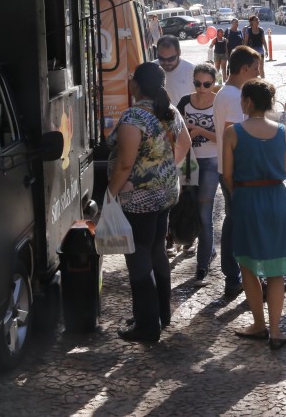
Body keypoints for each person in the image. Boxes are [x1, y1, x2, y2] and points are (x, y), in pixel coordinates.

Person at [107, 62, 191, 342]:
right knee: (156, 249)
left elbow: (124, 164)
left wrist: (110, 193)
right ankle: (160, 313)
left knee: (138, 256)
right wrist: (166, 170)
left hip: (140, 199)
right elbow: (185, 143)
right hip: (166, 193)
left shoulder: (134, 118)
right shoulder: (170, 111)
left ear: (136, 85)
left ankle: (147, 325)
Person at [224, 79, 286, 349]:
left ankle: (258, 324)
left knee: (248, 265)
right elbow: (285, 169)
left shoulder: (234, 133)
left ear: (248, 101)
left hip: (247, 198)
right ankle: (276, 330)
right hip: (276, 198)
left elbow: (228, 176)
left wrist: (239, 195)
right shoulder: (282, 131)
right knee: (277, 270)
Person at [214, 46, 262, 298]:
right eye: (255, 69)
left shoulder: (228, 92)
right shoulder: (234, 96)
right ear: (244, 69)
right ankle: (239, 277)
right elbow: (234, 135)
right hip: (236, 171)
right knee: (241, 225)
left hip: (229, 169)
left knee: (234, 223)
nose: (258, 73)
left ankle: (235, 277)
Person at [176, 63, 220, 287]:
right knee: (191, 206)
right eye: (197, 83)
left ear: (214, 83)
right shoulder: (185, 101)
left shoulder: (219, 103)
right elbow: (172, 128)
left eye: (207, 84)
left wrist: (200, 131)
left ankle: (202, 266)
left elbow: (225, 137)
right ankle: (205, 248)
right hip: (188, 162)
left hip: (212, 162)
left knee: (204, 214)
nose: (202, 88)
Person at [156, 35, 195, 102]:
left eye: (171, 59)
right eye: (161, 58)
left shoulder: (191, 70)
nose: (166, 63)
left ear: (179, 53)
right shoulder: (151, 69)